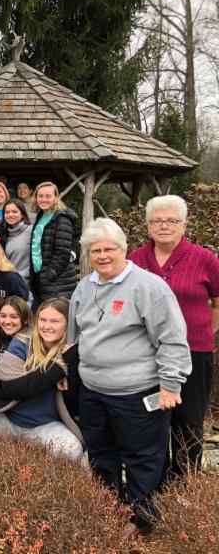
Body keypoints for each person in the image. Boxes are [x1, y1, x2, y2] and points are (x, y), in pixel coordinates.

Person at [68, 217, 191, 535]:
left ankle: (141, 520)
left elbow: (172, 339)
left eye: (109, 249)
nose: (102, 256)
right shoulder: (84, 287)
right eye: (95, 250)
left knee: (141, 457)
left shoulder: (149, 287)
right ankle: (109, 509)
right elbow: (75, 337)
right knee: (100, 453)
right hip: (93, 390)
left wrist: (171, 384)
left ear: (123, 249)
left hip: (137, 393)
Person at [128, 195, 219, 478]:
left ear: (184, 225)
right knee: (150, 420)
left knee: (187, 421)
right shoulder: (135, 259)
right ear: (148, 225)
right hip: (146, 353)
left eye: (171, 220)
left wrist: (204, 331)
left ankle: (184, 485)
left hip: (193, 352)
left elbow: (218, 303)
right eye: (156, 221)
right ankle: (153, 483)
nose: (163, 226)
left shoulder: (204, 259)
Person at [0, 297, 84, 462]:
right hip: (8, 420)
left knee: (71, 451)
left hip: (45, 426)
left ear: (68, 324)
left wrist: (70, 361)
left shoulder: (73, 353)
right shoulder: (21, 342)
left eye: (55, 321)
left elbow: (74, 401)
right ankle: (9, 453)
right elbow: (10, 387)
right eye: (43, 320)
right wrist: (55, 371)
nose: (47, 326)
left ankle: (27, 451)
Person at [29, 181, 78, 304]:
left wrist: (50, 275)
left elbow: (62, 252)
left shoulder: (62, 218)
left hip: (57, 282)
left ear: (55, 197)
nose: (43, 199)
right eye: (40, 196)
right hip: (40, 278)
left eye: (48, 196)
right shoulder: (40, 217)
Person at [2, 198, 33, 285]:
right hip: (9, 283)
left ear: (22, 214)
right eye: (7, 212)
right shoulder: (4, 234)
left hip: (27, 284)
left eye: (14, 212)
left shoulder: (31, 230)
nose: (10, 215)